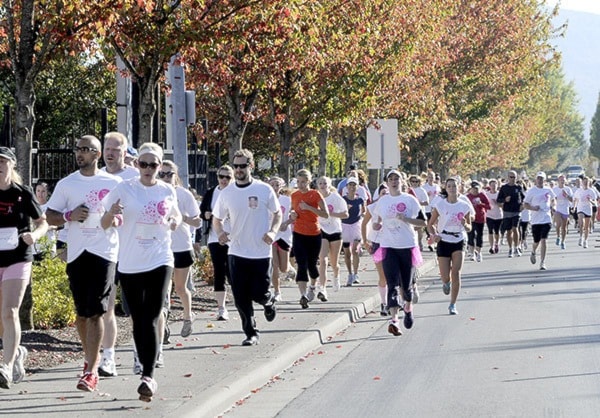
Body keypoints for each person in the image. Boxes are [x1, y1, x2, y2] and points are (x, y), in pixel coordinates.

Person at [101, 142, 181, 401]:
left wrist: (174, 221)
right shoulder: (123, 189)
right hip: (130, 261)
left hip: (160, 258)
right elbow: (104, 223)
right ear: (136, 165)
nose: (148, 169)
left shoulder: (167, 190)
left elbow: (177, 217)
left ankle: (148, 376)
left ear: (159, 166)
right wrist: (112, 215)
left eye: (153, 165)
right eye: (143, 164)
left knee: (154, 314)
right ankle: (146, 367)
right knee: (139, 319)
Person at [45, 135, 121, 392]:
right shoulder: (67, 184)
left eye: (86, 150)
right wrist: (69, 215)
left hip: (104, 251)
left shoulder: (113, 183)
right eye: (78, 149)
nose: (80, 154)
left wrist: (117, 219)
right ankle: (89, 358)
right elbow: (50, 216)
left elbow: (124, 212)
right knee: (81, 314)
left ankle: (91, 368)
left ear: (97, 154)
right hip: (78, 252)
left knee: (97, 310)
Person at [212, 149, 281, 346]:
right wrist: (220, 233)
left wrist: (273, 232)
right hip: (237, 251)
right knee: (241, 296)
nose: (239, 169)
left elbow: (277, 214)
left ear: (251, 166)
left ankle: (268, 301)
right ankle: (251, 333)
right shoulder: (227, 193)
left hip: (260, 251)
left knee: (259, 292)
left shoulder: (263, 189)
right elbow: (217, 219)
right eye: (236, 166)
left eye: (243, 166)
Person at [0, 147, 48, 389]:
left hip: (18, 258)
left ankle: (6, 366)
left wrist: (35, 235)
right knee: (1, 317)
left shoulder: (22, 193)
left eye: (2, 162)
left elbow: (43, 222)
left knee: (9, 311)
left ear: (12, 166)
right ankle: (17, 352)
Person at [98, 131, 139, 378]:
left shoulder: (136, 178)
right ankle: (108, 357)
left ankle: (138, 352)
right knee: (107, 307)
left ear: (125, 152)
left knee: (135, 309)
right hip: (107, 252)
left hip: (134, 252)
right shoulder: (97, 176)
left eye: (115, 149)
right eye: (107, 148)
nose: (110, 153)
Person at [371, 170, 426, 335]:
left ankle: (408, 309)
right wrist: (376, 225)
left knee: (406, 287)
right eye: (391, 179)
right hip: (388, 246)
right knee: (392, 284)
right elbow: (377, 220)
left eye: (397, 179)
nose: (394, 182)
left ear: (402, 181)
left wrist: (406, 219)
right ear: (387, 183)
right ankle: (394, 320)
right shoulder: (383, 201)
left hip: (407, 245)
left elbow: (423, 222)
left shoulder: (410, 200)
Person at [158, 160, 201, 337]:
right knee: (164, 289)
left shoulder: (184, 195)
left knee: (181, 288)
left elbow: (198, 221)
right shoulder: (154, 193)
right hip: (161, 248)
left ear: (176, 175)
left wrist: (182, 217)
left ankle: (187, 317)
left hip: (182, 245)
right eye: (162, 174)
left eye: (170, 174)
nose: (166, 178)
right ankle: (164, 324)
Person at [427, 177, 473, 315]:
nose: (452, 188)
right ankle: (446, 283)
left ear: (459, 187)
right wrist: (434, 235)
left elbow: (469, 227)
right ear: (446, 189)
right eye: (449, 186)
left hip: (459, 239)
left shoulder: (464, 206)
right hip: (444, 239)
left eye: (454, 186)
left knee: (456, 273)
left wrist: (465, 224)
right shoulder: (440, 205)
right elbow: (430, 225)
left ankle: (453, 304)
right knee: (446, 276)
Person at [289, 169, 329, 309]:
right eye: (298, 182)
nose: (300, 185)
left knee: (312, 264)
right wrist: (292, 215)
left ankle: (312, 287)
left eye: (303, 182)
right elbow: (292, 211)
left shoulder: (315, 194)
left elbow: (325, 214)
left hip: (314, 234)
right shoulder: (294, 195)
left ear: (309, 181)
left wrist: (309, 208)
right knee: (301, 264)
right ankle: (302, 295)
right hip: (299, 233)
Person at [200, 165, 234, 320]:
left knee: (233, 271)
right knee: (219, 271)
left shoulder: (237, 192)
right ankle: (221, 308)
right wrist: (206, 214)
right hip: (215, 237)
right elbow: (203, 211)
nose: (224, 180)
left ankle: (241, 300)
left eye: (228, 177)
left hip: (234, 237)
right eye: (221, 176)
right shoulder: (212, 192)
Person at [361, 183, 390, 316]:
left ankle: (394, 300)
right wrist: (365, 241)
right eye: (383, 193)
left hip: (392, 244)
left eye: (387, 193)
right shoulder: (372, 208)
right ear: (378, 195)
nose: (385, 195)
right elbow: (364, 223)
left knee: (394, 275)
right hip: (377, 244)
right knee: (382, 275)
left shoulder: (393, 207)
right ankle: (384, 304)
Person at [317, 176, 348, 294]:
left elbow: (346, 214)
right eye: (320, 183)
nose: (322, 185)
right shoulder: (316, 197)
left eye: (324, 183)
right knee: (323, 259)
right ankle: (322, 287)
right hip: (321, 230)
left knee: (334, 262)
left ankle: (336, 276)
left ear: (329, 185)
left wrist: (332, 213)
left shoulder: (335, 198)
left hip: (335, 230)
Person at [268, 176, 294, 301]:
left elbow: (294, 215)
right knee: (274, 265)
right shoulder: (265, 200)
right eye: (272, 184)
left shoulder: (287, 200)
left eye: (277, 185)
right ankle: (277, 292)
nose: (274, 187)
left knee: (284, 268)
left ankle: (290, 267)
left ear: (281, 186)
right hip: (271, 234)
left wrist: (287, 222)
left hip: (284, 234)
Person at [523, 172, 555, 270]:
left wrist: (553, 206)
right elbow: (525, 204)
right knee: (536, 241)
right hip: (535, 220)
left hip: (546, 218)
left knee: (544, 240)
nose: (540, 180)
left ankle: (542, 262)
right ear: (536, 180)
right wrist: (533, 208)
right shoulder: (532, 191)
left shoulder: (548, 190)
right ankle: (533, 251)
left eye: (542, 179)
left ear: (544, 180)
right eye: (538, 178)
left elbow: (554, 200)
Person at [341, 176, 365, 286]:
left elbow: (363, 211)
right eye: (350, 185)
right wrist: (346, 209)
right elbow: (340, 211)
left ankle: (356, 274)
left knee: (355, 250)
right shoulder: (343, 199)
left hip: (356, 225)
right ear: (347, 187)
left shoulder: (360, 200)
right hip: (345, 225)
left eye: (354, 185)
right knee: (347, 253)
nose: (352, 187)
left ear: (357, 187)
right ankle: (350, 274)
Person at [497, 170, 525, 258]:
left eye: (514, 177)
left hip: (516, 211)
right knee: (509, 231)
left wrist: (523, 205)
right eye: (511, 177)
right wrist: (505, 200)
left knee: (515, 228)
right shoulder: (504, 188)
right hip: (507, 211)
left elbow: (525, 198)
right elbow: (498, 200)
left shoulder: (519, 187)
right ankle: (510, 248)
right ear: (507, 178)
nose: (512, 179)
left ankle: (517, 247)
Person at [466, 181, 490, 262]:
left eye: (477, 189)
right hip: (471, 218)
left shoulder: (482, 195)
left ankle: (479, 252)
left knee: (479, 235)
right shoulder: (467, 197)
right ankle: (472, 253)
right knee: (471, 235)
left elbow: (489, 206)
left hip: (480, 218)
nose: (476, 190)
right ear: (471, 189)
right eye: (474, 189)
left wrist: (481, 204)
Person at [573, 176, 597, 249]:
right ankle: (581, 237)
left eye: (587, 182)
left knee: (586, 227)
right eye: (584, 181)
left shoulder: (591, 191)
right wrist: (574, 207)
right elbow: (575, 199)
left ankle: (585, 240)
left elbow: (594, 202)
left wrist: (590, 200)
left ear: (589, 182)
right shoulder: (579, 191)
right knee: (581, 222)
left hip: (588, 209)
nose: (585, 183)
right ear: (582, 182)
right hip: (580, 208)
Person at [552, 174, 573, 249]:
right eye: (561, 180)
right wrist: (554, 200)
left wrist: (566, 195)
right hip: (558, 209)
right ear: (558, 181)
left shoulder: (568, 189)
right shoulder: (554, 189)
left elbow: (572, 200)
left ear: (565, 181)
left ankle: (563, 241)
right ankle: (558, 236)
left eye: (563, 180)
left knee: (564, 227)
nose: (562, 181)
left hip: (565, 209)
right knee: (558, 224)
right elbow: (552, 199)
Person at [484, 179, 503, 254]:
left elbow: (502, 205)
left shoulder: (499, 194)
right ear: (489, 186)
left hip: (498, 215)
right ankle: (491, 246)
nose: (493, 187)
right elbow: (484, 203)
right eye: (492, 185)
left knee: (497, 231)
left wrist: (497, 203)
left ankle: (496, 244)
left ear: (497, 186)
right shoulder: (486, 194)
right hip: (489, 215)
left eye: (495, 185)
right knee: (490, 231)